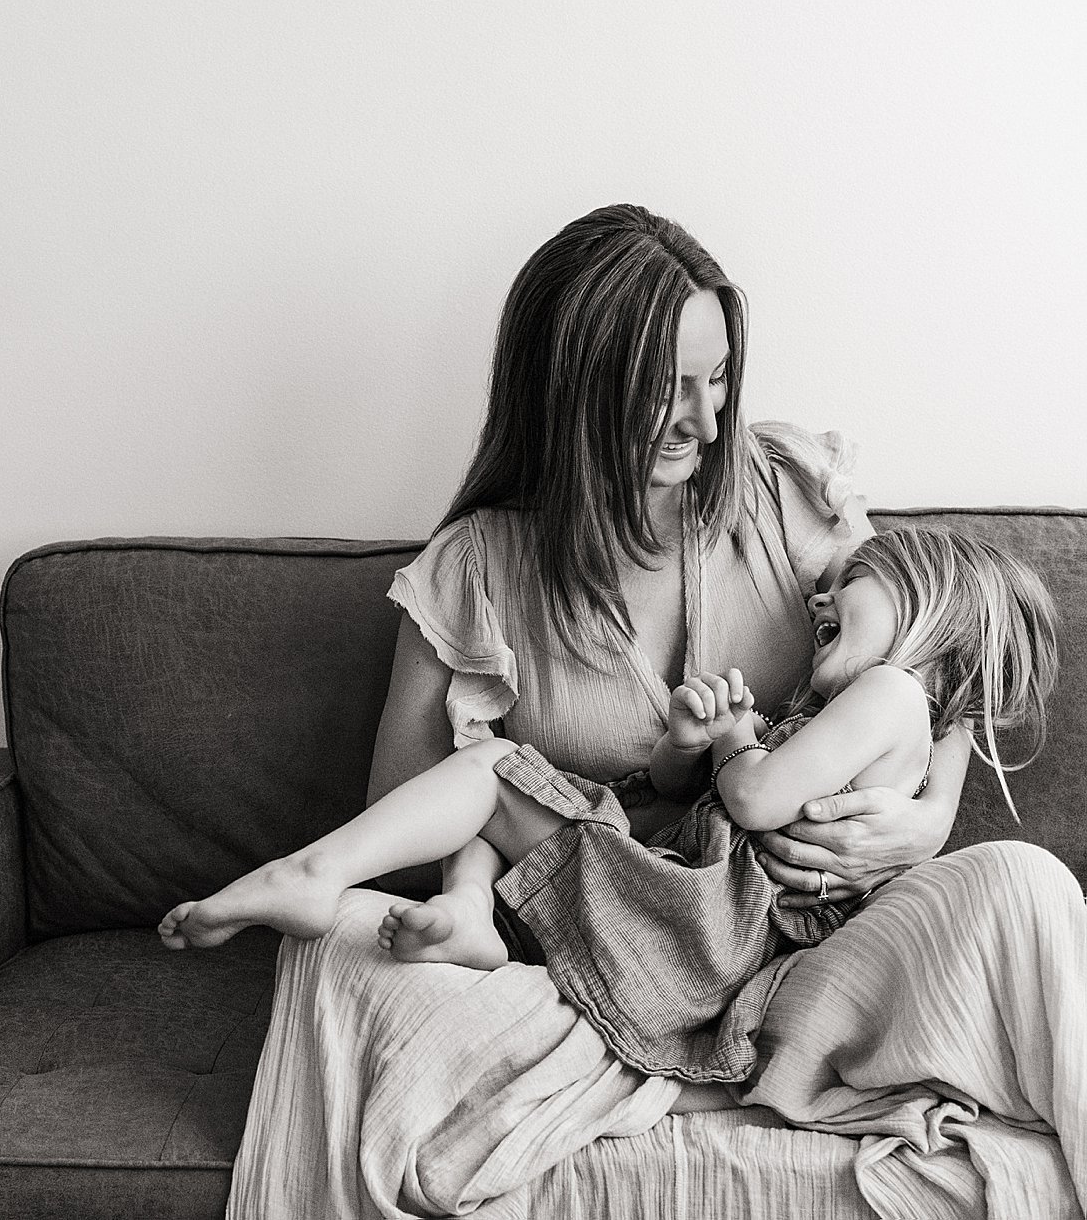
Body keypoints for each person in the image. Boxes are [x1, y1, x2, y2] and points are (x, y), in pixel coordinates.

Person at [217, 205, 1087, 1218]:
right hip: (593, 965)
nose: (704, 420)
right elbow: (409, 827)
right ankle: (662, 1074)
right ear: (571, 392)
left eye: (717, 380)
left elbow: (936, 638)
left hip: (807, 964)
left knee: (1024, 886)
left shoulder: (784, 496)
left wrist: (932, 806)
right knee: (339, 953)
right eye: (665, 388)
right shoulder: (476, 571)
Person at [160, 525, 1057, 1084]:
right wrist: (690, 744)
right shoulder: (875, 709)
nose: (819, 594)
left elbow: (749, 796)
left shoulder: (890, 695)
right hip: (697, 918)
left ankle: (315, 871)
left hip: (700, 926)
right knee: (520, 778)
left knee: (495, 768)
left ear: (928, 605)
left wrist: (738, 741)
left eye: (849, 582)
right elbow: (704, 798)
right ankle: (471, 912)